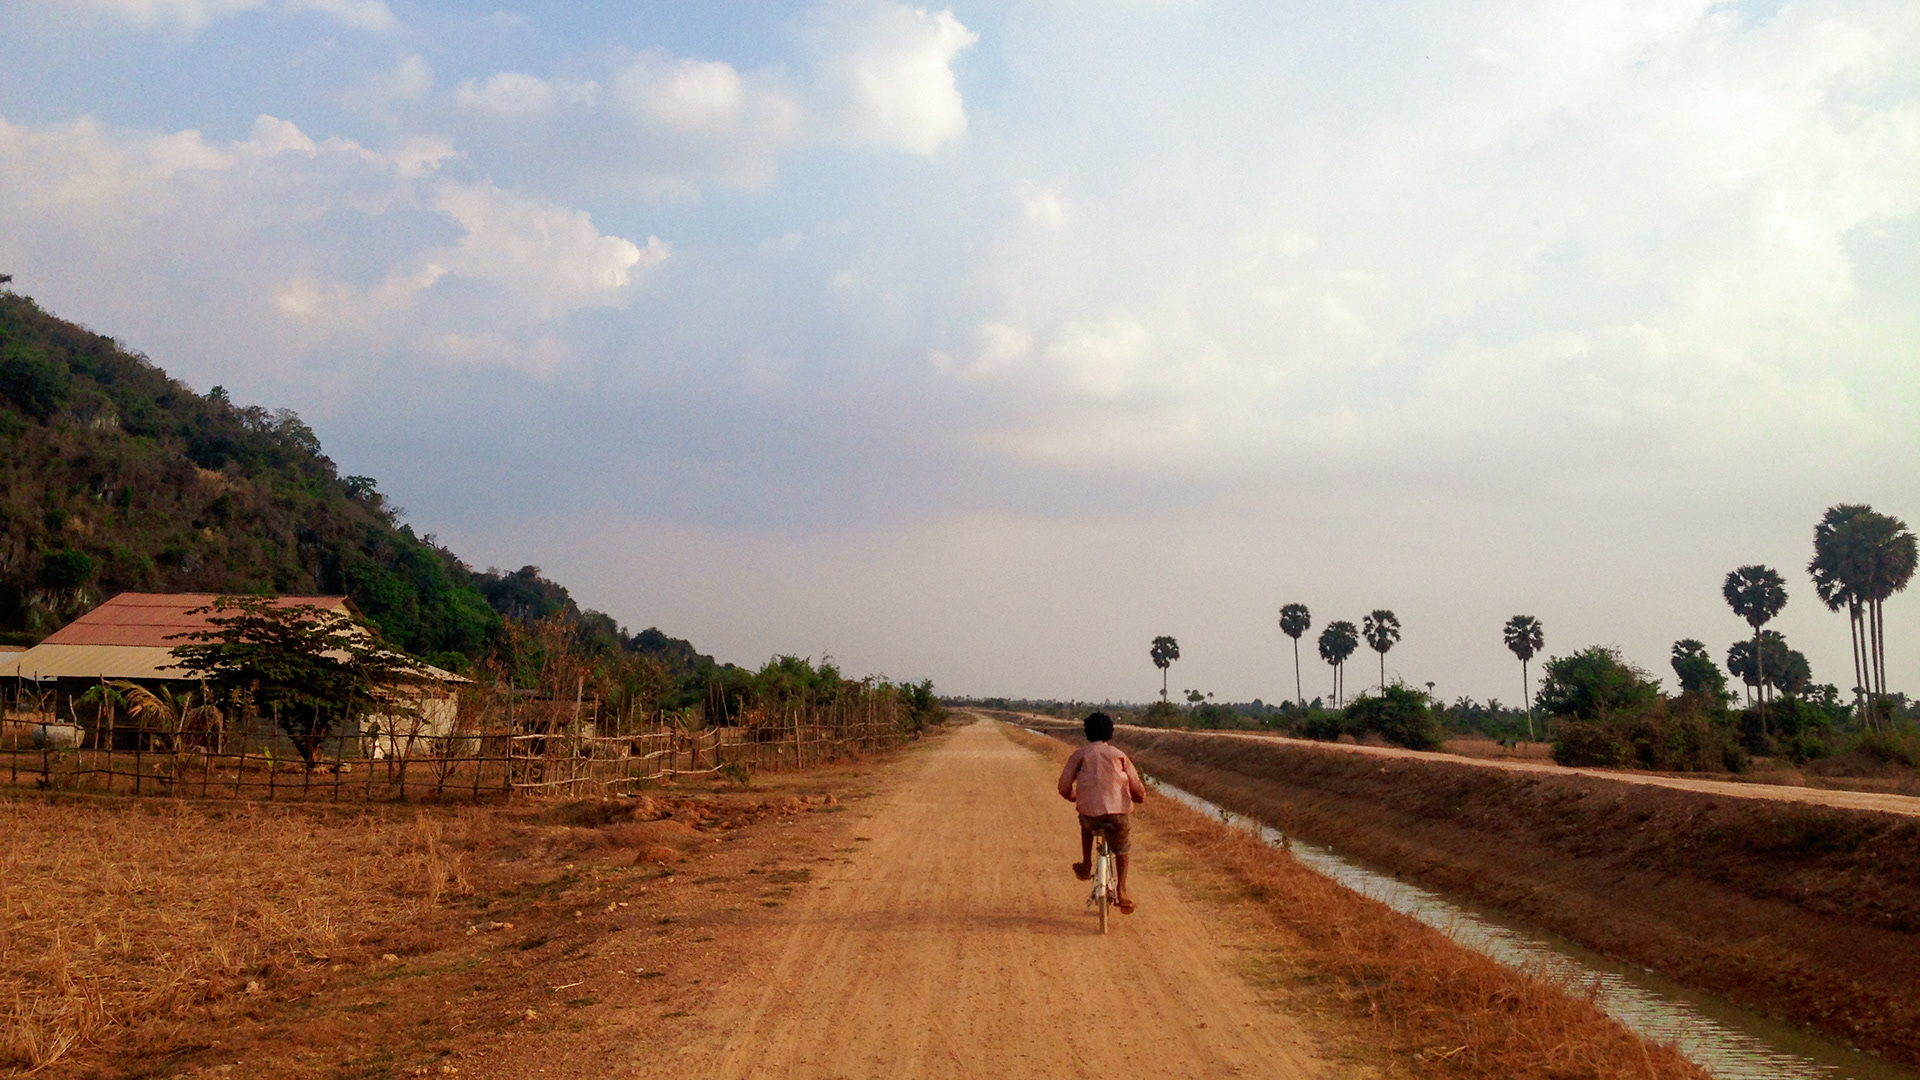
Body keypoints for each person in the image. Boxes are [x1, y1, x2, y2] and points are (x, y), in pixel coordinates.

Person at [1057, 711, 1146, 914]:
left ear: (1087, 732)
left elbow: (1063, 787)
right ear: (1110, 733)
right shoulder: (1119, 755)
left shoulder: (1080, 754)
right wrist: (1139, 798)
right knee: (1122, 847)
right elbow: (1137, 789)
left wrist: (1075, 797)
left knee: (1086, 824)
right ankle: (1122, 891)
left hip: (1090, 813)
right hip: (1118, 814)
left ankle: (1087, 864)